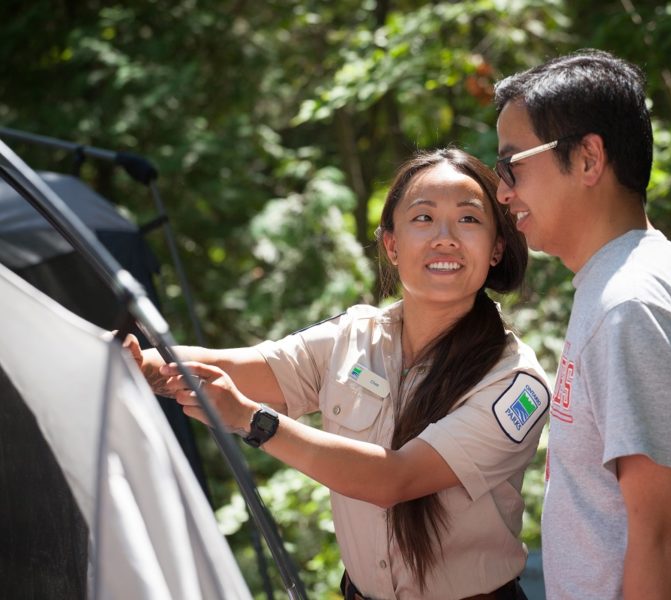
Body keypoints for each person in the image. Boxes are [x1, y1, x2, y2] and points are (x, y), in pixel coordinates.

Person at [125, 148, 549, 600]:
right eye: (422, 218)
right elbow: (247, 366)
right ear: (391, 244)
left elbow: (395, 480)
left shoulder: (514, 382)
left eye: (468, 220)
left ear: (497, 247)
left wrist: (254, 421)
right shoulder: (353, 336)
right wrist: (141, 364)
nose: (444, 237)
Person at [492, 49, 671, 599]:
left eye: (512, 165)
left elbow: (662, 537)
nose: (502, 192)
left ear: (589, 159)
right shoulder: (620, 282)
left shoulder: (629, 304)